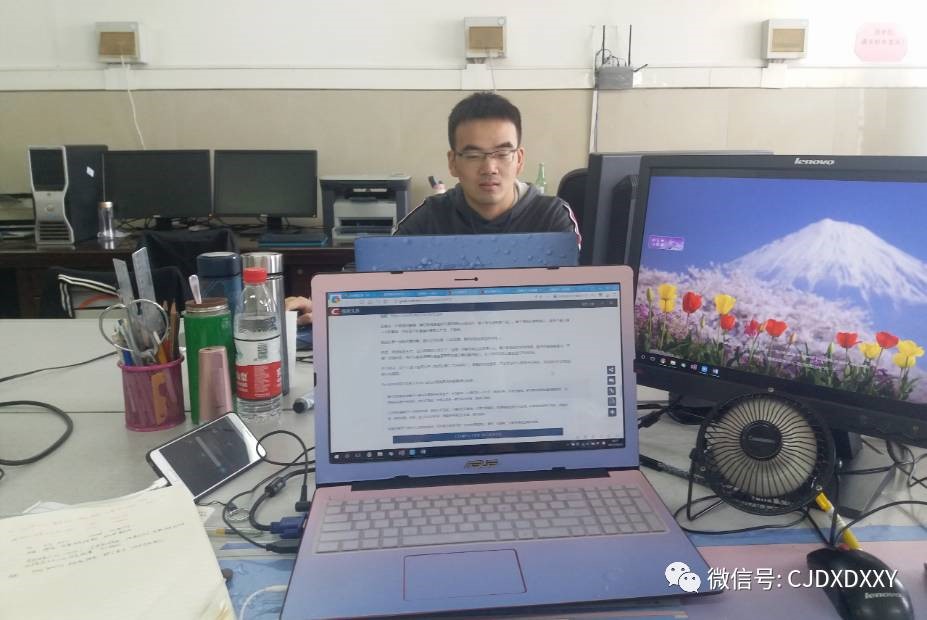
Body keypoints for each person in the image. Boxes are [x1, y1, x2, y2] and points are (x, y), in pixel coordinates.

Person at [394, 91, 580, 240]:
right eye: (473, 155)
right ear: (453, 162)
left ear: (519, 159)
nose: (490, 168)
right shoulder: (429, 220)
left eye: (502, 154)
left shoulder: (551, 218)